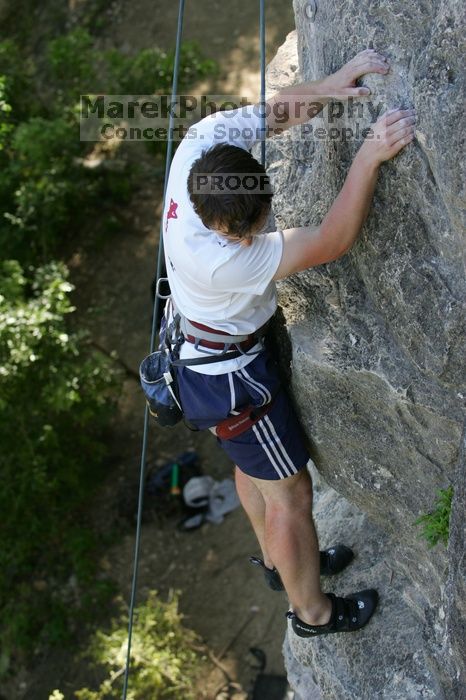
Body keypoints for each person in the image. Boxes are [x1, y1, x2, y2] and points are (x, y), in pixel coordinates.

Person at [160, 48, 416, 637]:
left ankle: (283, 564)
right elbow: (331, 239)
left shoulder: (201, 147)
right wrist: (370, 156)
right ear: (225, 230)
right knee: (291, 496)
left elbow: (273, 114)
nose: (264, 230)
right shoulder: (226, 260)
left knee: (254, 472)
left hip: (201, 355)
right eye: (252, 228)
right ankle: (314, 613)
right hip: (231, 376)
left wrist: (329, 84)